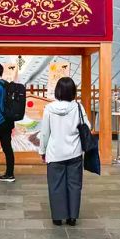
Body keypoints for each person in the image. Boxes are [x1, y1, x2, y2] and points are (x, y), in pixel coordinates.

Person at [38, 77, 89, 226]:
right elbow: (87, 125)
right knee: (74, 184)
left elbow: (45, 132)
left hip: (55, 153)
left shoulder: (49, 108)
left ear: (57, 91)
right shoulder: (78, 107)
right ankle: (72, 217)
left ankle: (58, 217)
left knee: (55, 185)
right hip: (74, 152)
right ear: (73, 91)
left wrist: (43, 151)